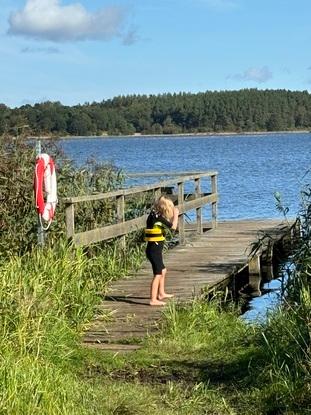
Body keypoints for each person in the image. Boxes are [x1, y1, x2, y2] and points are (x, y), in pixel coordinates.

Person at [144, 195, 179, 306]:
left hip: (154, 249)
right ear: (166, 209)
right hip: (154, 251)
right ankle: (153, 299)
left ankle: (161, 293)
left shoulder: (154, 215)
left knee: (163, 271)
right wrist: (176, 215)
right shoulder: (158, 217)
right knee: (158, 274)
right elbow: (173, 227)